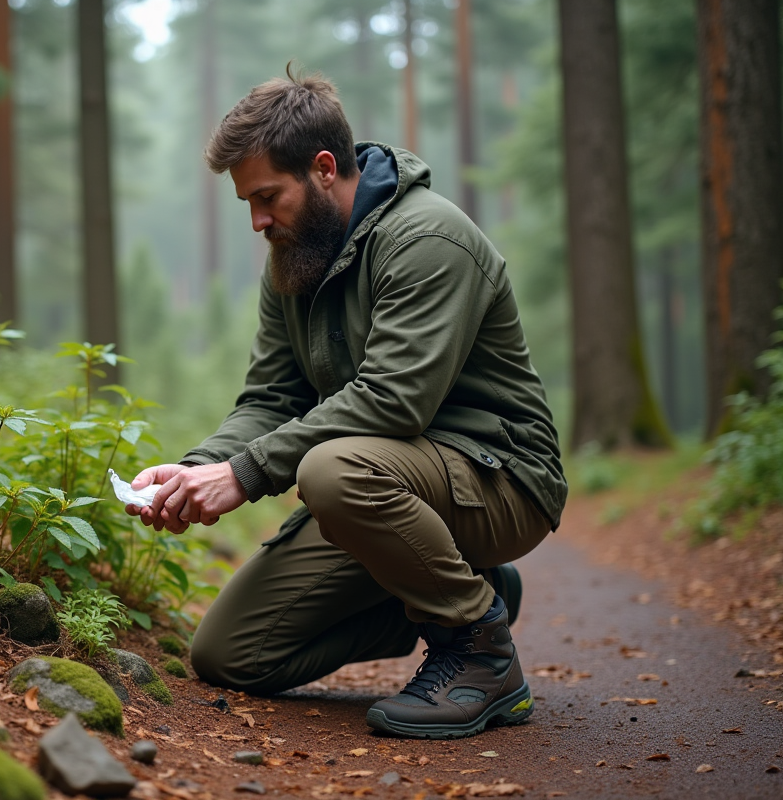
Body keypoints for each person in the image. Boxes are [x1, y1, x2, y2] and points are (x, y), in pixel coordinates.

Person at [125, 67, 567, 740]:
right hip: (390, 485)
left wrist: (245, 475)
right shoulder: (295, 259)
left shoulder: (427, 241)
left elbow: (393, 401)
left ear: (325, 168)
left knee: (330, 471)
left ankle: (479, 652)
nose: (257, 221)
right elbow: (272, 397)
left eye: (268, 196)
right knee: (230, 653)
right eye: (247, 203)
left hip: (502, 480)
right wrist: (198, 469)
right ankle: (473, 591)